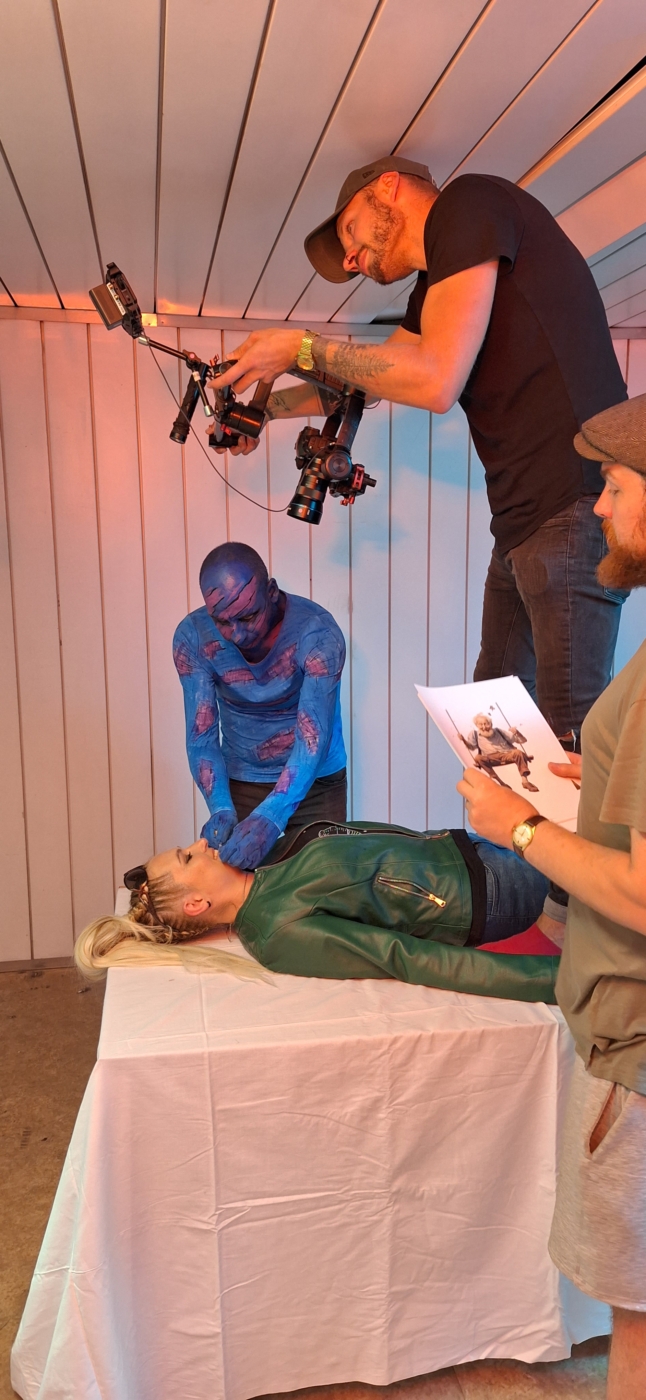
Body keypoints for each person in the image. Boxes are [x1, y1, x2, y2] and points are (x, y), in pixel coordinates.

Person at [210, 156, 627, 767]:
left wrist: (301, 346)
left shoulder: (470, 202)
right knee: (493, 731)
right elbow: (372, 381)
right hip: (522, 526)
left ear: (388, 186)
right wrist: (265, 411)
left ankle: (596, 835)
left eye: (349, 232)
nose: (350, 260)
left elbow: (434, 380)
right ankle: (510, 834)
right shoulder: (436, 287)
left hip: (572, 504)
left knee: (574, 744)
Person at [458, 393, 646, 1400]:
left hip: (635, 1049)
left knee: (635, 1327)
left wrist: (518, 826)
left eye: (613, 486)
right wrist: (596, 777)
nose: (600, 508)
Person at [75, 819, 555, 1002]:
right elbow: (405, 958)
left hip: (472, 846)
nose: (201, 843)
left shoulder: (261, 862)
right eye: (187, 857)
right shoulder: (277, 932)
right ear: (196, 903)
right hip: (490, 890)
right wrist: (558, 982)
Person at [173, 541, 347, 869]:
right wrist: (220, 807)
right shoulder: (193, 637)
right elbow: (201, 736)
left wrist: (272, 816)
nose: (236, 634)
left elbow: (314, 737)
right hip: (242, 779)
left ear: (271, 592)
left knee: (322, 883)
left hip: (317, 781)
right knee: (241, 889)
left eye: (248, 616)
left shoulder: (318, 633)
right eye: (222, 622)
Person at [462, 713, 538, 792]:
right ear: (477, 725)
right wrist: (464, 740)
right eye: (481, 725)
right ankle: (501, 783)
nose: (484, 727)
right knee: (478, 758)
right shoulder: (475, 734)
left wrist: (517, 733)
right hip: (491, 758)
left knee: (518, 752)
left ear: (491, 724)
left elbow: (522, 741)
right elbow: (471, 747)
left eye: (486, 724)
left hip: (506, 754)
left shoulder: (498, 731)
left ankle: (525, 781)